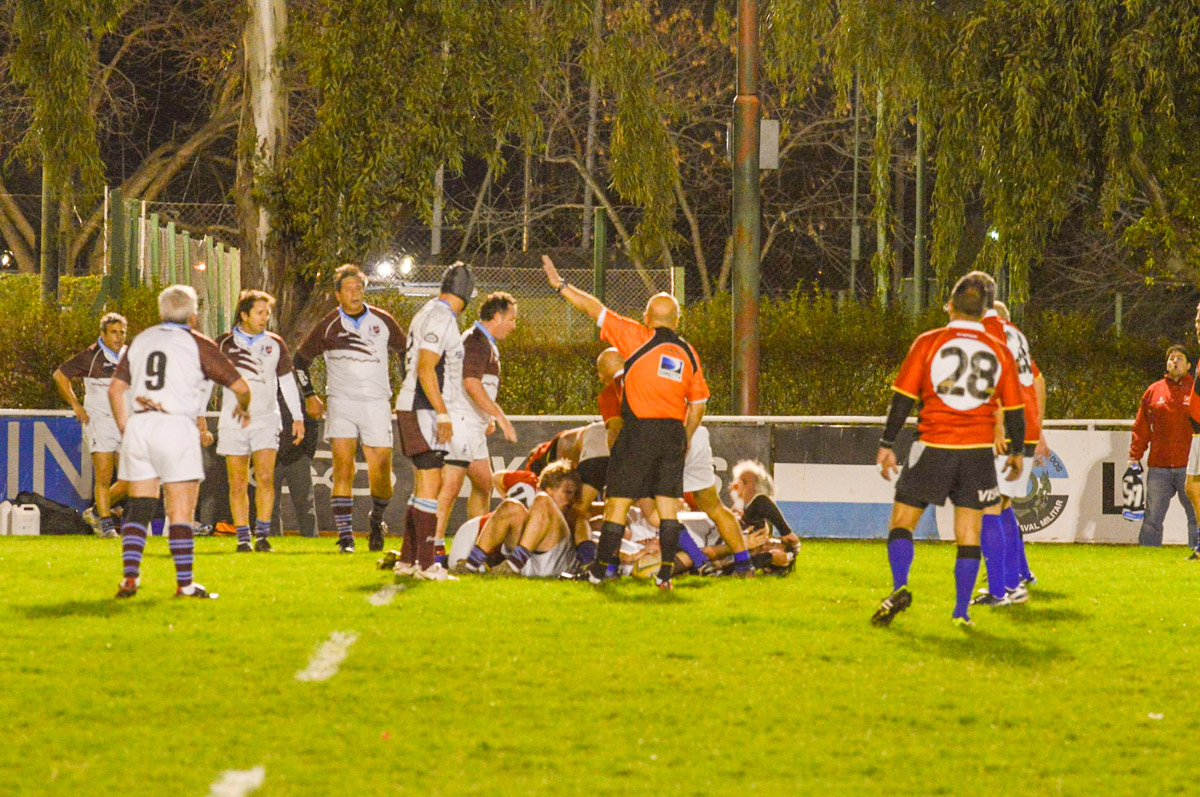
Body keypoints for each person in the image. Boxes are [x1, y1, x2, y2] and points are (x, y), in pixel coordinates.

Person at [542, 254, 709, 590]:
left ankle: (599, 571)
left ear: (647, 318)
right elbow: (699, 402)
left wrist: (561, 286)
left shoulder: (637, 337)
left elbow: (594, 309)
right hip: (672, 434)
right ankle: (665, 575)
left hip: (639, 432)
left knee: (618, 501)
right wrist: (686, 436)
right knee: (666, 507)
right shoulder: (689, 353)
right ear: (677, 321)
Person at [870, 271, 1025, 629]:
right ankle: (960, 612)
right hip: (976, 453)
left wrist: (887, 444)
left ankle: (899, 587)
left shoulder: (928, 342)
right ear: (986, 310)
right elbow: (1014, 410)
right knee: (968, 534)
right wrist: (1016, 452)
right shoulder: (999, 350)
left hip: (933, 446)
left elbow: (903, 399)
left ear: (950, 305)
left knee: (902, 524)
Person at [109, 284, 250, 599]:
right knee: (181, 509)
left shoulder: (141, 341)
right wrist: (244, 407)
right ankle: (184, 584)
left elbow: (116, 390)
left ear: (162, 312)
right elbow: (240, 386)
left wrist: (125, 427)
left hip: (141, 426)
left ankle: (130, 578)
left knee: (140, 504)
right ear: (193, 314)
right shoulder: (198, 343)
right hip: (176, 426)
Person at [294, 264, 406, 553]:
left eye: (359, 287)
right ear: (337, 294)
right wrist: (310, 395)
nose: (355, 293)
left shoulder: (383, 321)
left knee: (380, 470)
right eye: (348, 288)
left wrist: (408, 388)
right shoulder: (329, 324)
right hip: (341, 402)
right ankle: (345, 537)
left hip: (377, 403)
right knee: (342, 467)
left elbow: (406, 352)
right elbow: (300, 360)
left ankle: (376, 519)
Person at [393, 262, 475, 580]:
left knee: (423, 486)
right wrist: (442, 411)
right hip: (423, 408)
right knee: (431, 485)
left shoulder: (426, 311)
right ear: (467, 295)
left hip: (415, 405)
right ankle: (427, 565)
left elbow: (411, 362)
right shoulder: (442, 318)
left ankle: (408, 560)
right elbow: (427, 367)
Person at [215, 290, 305, 553]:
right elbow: (208, 380)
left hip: (267, 418)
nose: (265, 317)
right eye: (259, 312)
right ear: (244, 314)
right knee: (238, 481)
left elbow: (287, 381)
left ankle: (262, 536)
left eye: (267, 313)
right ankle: (243, 538)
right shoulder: (224, 343)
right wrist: (198, 416)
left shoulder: (275, 343)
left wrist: (297, 417)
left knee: (266, 477)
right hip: (233, 421)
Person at [433, 291, 519, 565]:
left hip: (473, 426)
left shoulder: (485, 342)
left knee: (483, 484)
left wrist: (487, 417)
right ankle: (433, 548)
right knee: (450, 486)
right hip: (459, 424)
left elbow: (478, 386)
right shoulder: (475, 341)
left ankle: (477, 548)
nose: (514, 326)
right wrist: (501, 417)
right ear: (497, 317)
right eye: (512, 319)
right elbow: (471, 384)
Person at [975, 297, 1049, 606]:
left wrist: (997, 426)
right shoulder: (1014, 332)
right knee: (1002, 504)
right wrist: (1038, 427)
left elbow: (996, 381)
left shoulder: (987, 331)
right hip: (1027, 425)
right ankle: (1013, 582)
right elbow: (1038, 380)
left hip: (1008, 427)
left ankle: (1000, 590)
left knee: (988, 505)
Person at [52, 312, 130, 538]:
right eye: (113, 332)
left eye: (122, 332)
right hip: (100, 421)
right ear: (103, 334)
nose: (118, 337)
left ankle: (96, 512)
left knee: (129, 480)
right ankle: (106, 525)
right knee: (104, 476)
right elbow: (60, 376)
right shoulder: (90, 356)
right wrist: (76, 405)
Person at [458, 461, 583, 576]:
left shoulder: (574, 514)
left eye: (575, 494)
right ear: (549, 489)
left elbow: (586, 536)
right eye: (568, 492)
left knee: (542, 501)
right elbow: (496, 478)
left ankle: (513, 564)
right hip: (524, 564)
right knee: (511, 506)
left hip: (557, 566)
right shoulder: (539, 502)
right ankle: (471, 565)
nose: (572, 500)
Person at [1128, 345, 1197, 549]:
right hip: (1159, 466)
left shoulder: (1196, 390)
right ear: (1166, 364)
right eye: (1171, 358)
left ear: (1189, 365)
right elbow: (1141, 427)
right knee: (1152, 517)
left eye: (1180, 358)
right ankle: (1148, 556)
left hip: (1190, 466)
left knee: (1196, 515)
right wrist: (1134, 455)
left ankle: (1197, 553)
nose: (1175, 361)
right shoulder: (1153, 391)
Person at [271, 382, 320, 538]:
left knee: (306, 506)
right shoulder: (262, 394)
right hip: (272, 457)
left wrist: (306, 454)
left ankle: (311, 540)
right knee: (269, 506)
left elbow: (311, 423)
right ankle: (271, 541)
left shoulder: (297, 393)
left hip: (297, 457)